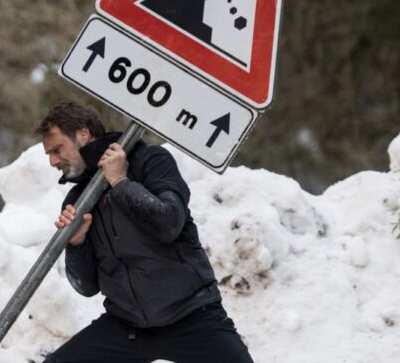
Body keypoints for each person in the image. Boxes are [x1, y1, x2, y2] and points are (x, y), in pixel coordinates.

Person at [37, 102, 253, 363]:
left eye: (57, 149)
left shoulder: (150, 161)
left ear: (83, 134)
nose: (52, 161)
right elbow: (86, 286)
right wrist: (76, 242)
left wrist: (120, 182)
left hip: (192, 316)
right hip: (127, 326)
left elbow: (169, 223)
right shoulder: (78, 199)